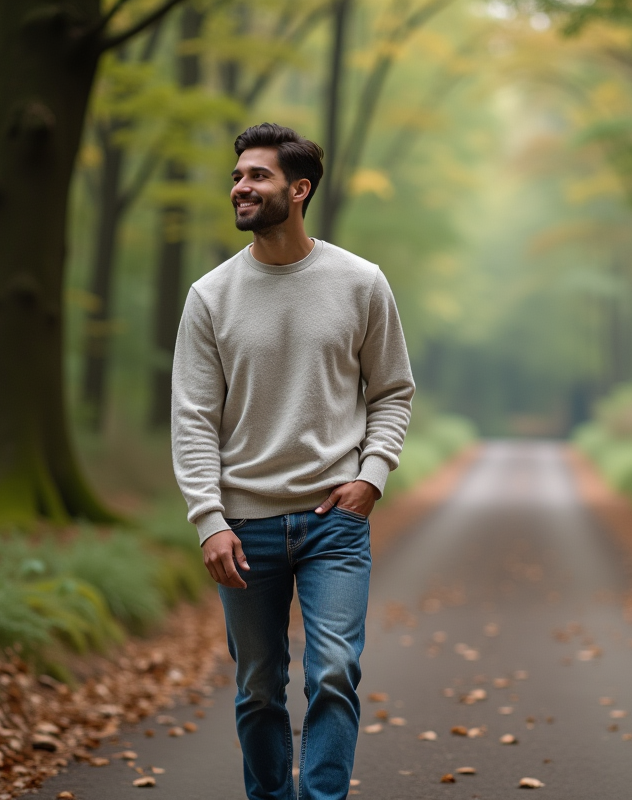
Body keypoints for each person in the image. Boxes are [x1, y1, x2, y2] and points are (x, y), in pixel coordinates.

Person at [170, 122, 415, 800]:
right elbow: (191, 419)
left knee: (333, 672)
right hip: (244, 527)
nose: (240, 188)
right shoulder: (210, 296)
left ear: (298, 189)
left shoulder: (361, 282)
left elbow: (392, 390)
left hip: (334, 520)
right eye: (236, 177)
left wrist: (372, 475)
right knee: (257, 687)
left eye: (257, 176)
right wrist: (208, 520)